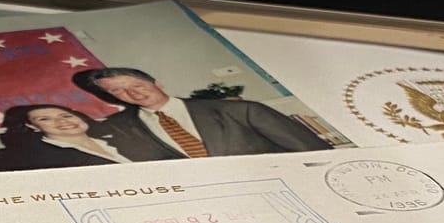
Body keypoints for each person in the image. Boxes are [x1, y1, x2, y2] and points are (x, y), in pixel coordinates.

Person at [73, 66, 332, 159]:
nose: (133, 94)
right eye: (118, 90)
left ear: (157, 83)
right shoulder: (119, 128)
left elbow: (315, 152)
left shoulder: (242, 110)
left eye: (138, 85)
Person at [0, 103, 136, 172]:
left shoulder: (122, 142)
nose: (62, 121)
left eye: (66, 115)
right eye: (44, 119)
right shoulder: (27, 156)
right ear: (32, 126)